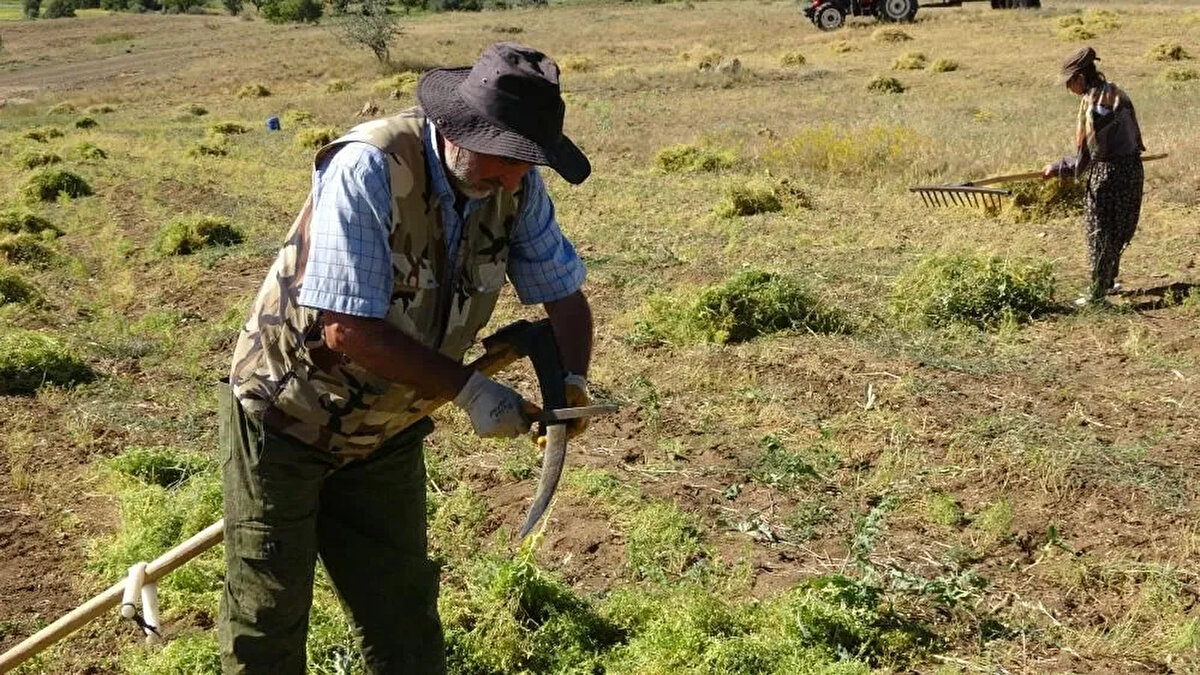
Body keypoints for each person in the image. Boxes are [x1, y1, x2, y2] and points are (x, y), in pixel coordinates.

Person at [218, 42, 595, 674]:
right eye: (509, 158)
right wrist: (471, 391)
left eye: (529, 163)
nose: (516, 179)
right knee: (268, 621)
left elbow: (564, 298)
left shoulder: (515, 187)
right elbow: (347, 329)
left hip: (387, 429)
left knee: (402, 616)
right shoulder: (370, 166)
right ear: (460, 131)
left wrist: (573, 381)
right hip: (287, 418)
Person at [1042, 46, 1146, 306]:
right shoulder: (1114, 91)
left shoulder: (1097, 105)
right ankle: (1107, 280)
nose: (1068, 89)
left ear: (1079, 78)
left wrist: (1059, 168)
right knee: (1117, 230)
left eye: (1069, 83)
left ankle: (1097, 295)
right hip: (1132, 169)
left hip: (1109, 174)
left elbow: (1087, 155)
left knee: (1099, 232)